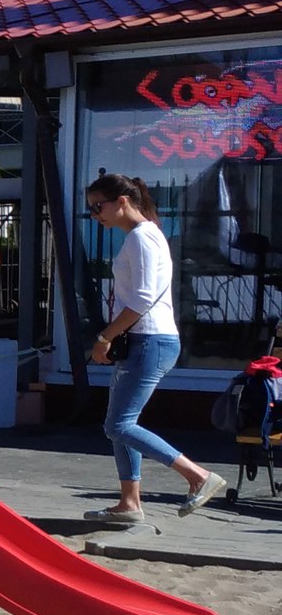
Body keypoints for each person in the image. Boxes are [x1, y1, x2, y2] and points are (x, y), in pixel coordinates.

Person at [85, 173, 227, 523]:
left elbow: (143, 299)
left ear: (121, 201)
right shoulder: (141, 236)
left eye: (97, 207)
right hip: (143, 340)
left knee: (119, 425)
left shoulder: (142, 237)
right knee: (120, 424)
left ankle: (198, 476)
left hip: (150, 340)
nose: (94, 215)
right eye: (91, 209)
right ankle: (129, 503)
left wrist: (105, 338)